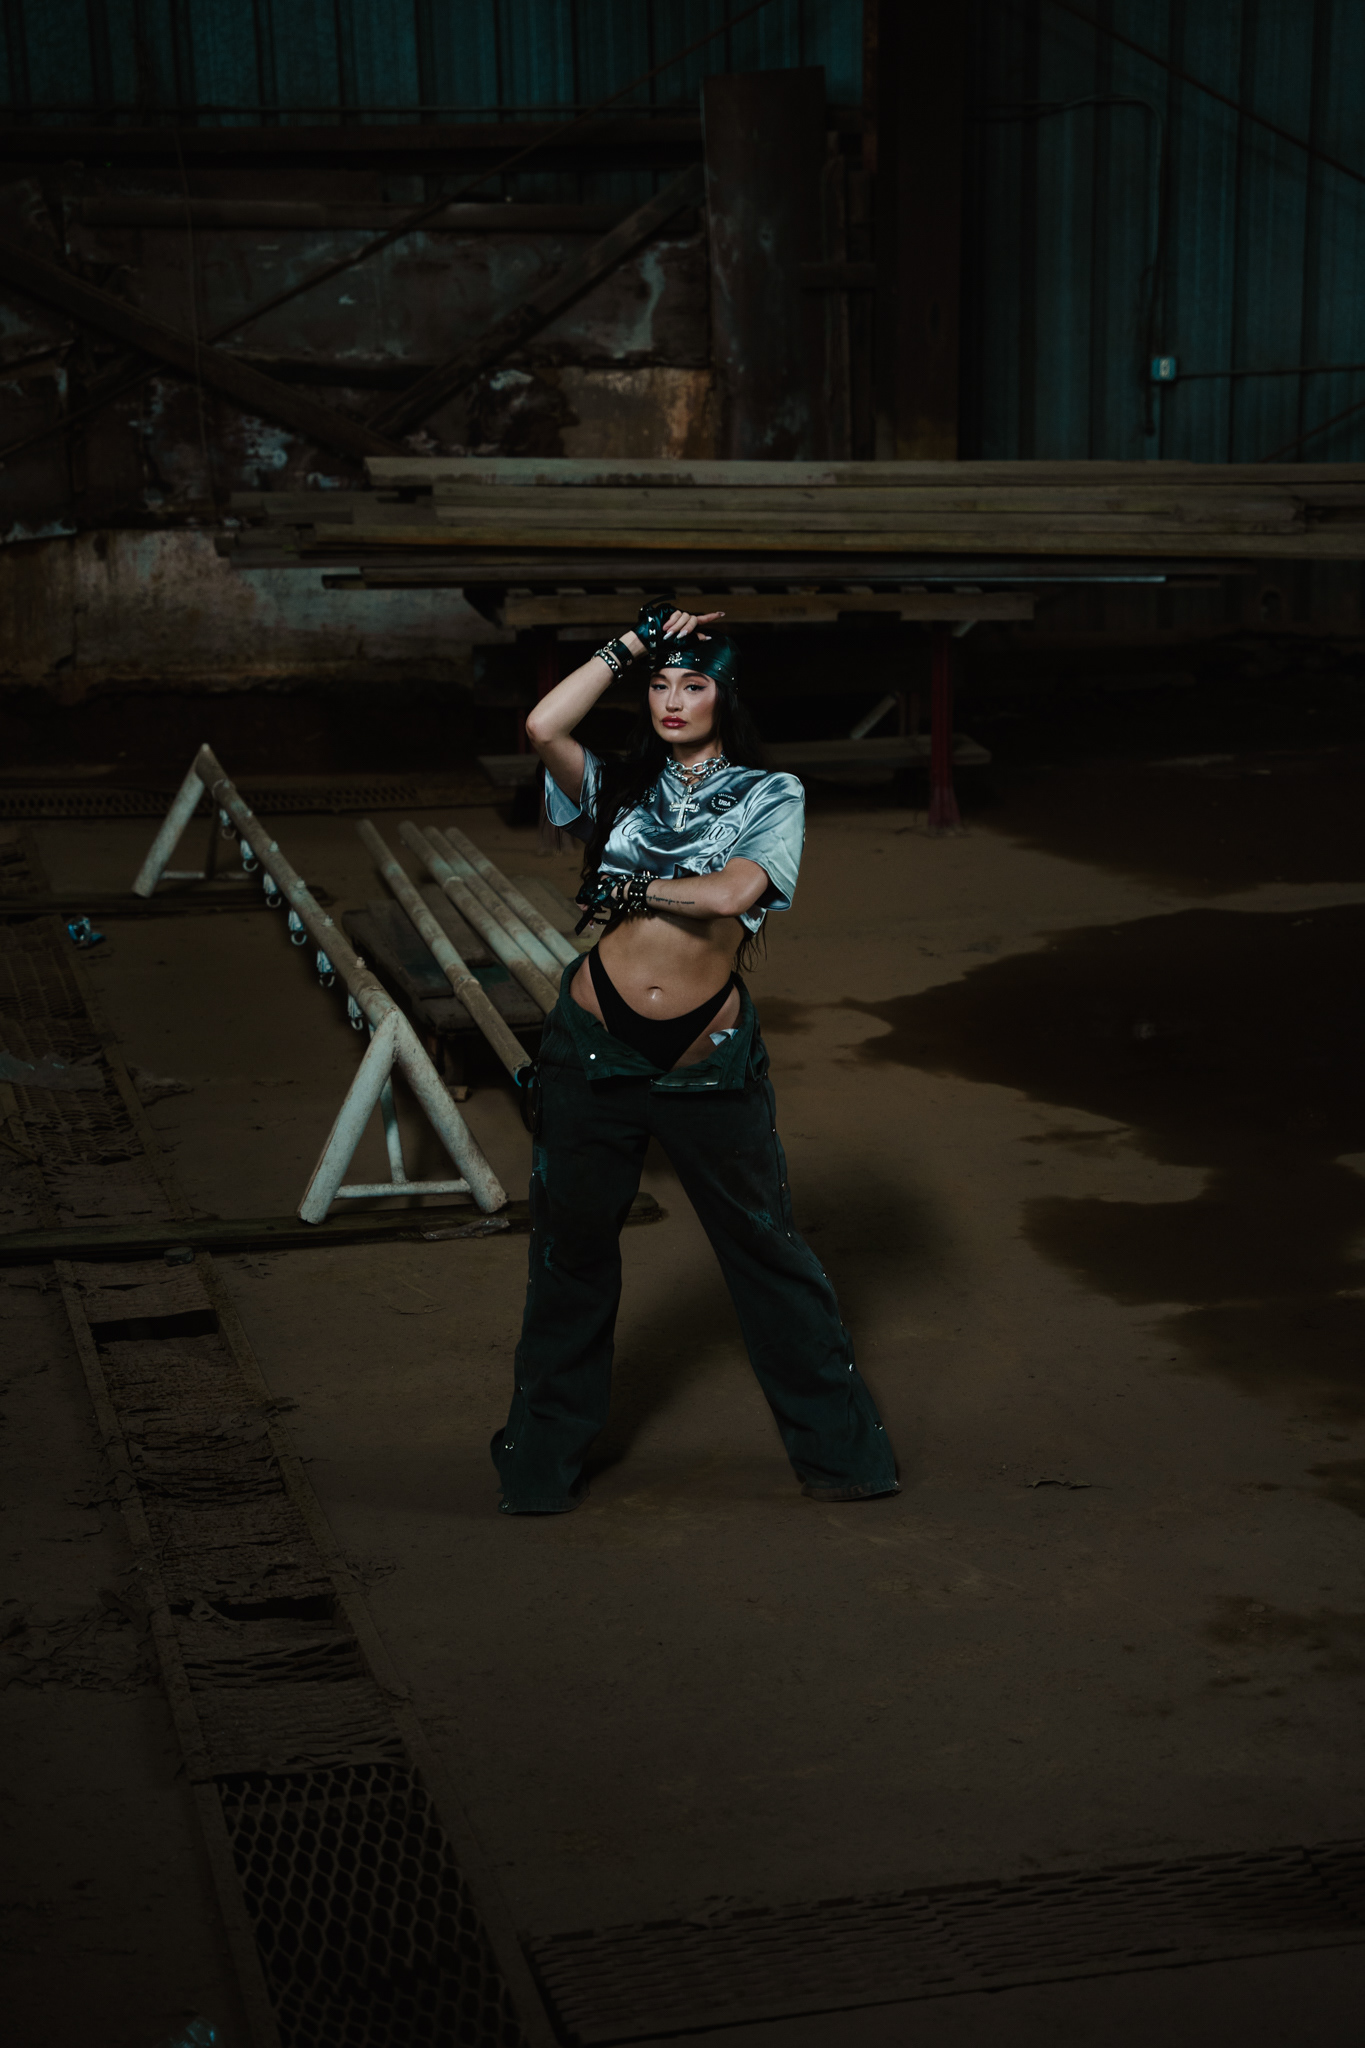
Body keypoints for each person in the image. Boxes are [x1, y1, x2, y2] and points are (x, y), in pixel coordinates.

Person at [490, 599, 899, 1514]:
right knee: (570, 1259)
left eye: (693, 686)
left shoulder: (768, 793)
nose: (673, 701)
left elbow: (731, 894)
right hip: (590, 1047)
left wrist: (631, 887)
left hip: (703, 1056)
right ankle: (537, 1474)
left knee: (765, 1254)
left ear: (725, 698)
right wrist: (631, 642)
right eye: (660, 687)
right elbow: (543, 725)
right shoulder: (616, 786)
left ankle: (844, 1461)